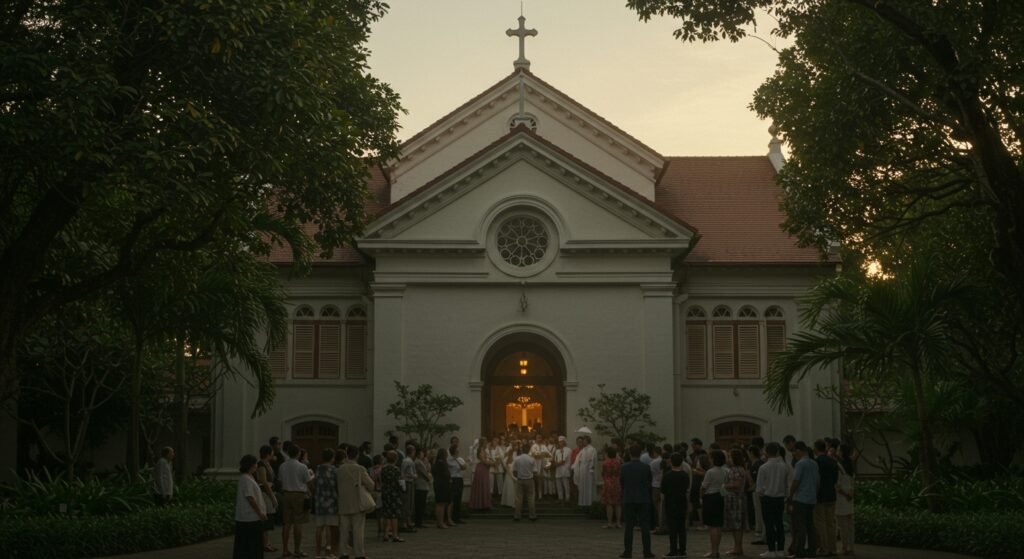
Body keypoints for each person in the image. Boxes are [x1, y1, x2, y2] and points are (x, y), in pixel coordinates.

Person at [337, 448, 375, 559]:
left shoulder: (339, 470)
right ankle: (359, 553)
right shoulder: (360, 469)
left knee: (344, 530)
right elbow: (371, 485)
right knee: (358, 530)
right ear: (357, 455)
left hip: (343, 502)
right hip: (357, 502)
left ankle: (344, 552)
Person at [620, 444, 655, 559]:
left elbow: (622, 483)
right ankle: (647, 551)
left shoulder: (624, 467)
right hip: (643, 498)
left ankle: (628, 551)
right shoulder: (646, 467)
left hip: (629, 498)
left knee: (629, 526)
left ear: (630, 454)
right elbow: (649, 482)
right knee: (645, 526)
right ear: (640, 454)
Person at [756, 442, 790, 559]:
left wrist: (762, 495)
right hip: (780, 498)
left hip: (767, 498)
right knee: (779, 523)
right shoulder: (784, 466)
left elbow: (759, 488)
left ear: (766, 452)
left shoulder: (763, 467)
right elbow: (786, 484)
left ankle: (771, 550)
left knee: (769, 524)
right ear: (777, 452)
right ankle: (780, 549)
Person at [279, 444, 313, 558]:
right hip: (299, 494)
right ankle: (297, 550)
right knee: (298, 522)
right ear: (298, 454)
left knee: (286, 523)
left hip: (286, 493)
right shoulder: (302, 467)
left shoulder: (283, 466)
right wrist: (310, 492)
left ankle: (285, 549)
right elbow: (308, 481)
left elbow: (280, 481)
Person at [789, 442, 820, 558]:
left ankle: (799, 551)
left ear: (799, 450)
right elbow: (817, 482)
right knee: (810, 526)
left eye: (794, 451)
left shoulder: (800, 464)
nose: (793, 453)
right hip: (811, 499)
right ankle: (812, 550)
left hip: (801, 498)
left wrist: (790, 495)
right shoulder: (814, 463)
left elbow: (796, 481)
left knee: (800, 526)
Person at [234, 454, 267, 559]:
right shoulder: (245, 479)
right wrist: (260, 512)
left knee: (253, 546)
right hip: (249, 518)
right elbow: (250, 498)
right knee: (250, 547)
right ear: (251, 465)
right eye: (255, 464)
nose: (257, 466)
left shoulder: (249, 477)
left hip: (252, 518)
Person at [661, 452, 691, 559]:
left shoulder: (667, 475)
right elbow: (686, 488)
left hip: (670, 502)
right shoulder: (685, 475)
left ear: (671, 462)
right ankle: (682, 550)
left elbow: (663, 490)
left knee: (672, 528)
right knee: (681, 528)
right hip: (682, 502)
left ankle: (673, 550)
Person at [724, 447, 753, 556]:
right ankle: (737, 547)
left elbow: (737, 484)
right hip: (735, 498)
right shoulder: (738, 469)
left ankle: (737, 547)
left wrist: (724, 486)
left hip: (735, 499)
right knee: (736, 525)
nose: (728, 459)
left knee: (736, 525)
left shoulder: (736, 470)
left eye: (729, 457)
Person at [813, 439, 839, 556]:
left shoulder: (816, 462)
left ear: (816, 449)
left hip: (820, 495)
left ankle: (824, 548)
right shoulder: (833, 461)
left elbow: (816, 480)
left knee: (821, 523)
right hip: (831, 494)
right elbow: (835, 479)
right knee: (831, 523)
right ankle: (833, 548)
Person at [701, 449, 728, 559]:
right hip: (719, 496)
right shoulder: (725, 471)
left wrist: (701, 496)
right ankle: (717, 550)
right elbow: (724, 487)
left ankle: (714, 551)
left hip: (710, 497)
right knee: (718, 525)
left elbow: (704, 486)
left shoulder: (710, 472)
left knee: (712, 526)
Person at [313, 448, 339, 559]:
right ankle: (329, 551)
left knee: (319, 527)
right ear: (332, 458)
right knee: (330, 527)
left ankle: (318, 553)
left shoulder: (318, 469)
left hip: (320, 501)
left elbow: (314, 482)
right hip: (331, 501)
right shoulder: (334, 470)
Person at [256, 445, 279, 553]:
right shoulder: (261, 465)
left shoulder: (267, 464)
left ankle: (267, 542)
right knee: (266, 518)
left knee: (269, 518)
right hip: (265, 493)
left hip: (269, 491)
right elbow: (264, 481)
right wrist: (273, 497)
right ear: (268, 454)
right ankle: (265, 543)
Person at [836, 444, 856, 556]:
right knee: (850, 525)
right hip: (850, 498)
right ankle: (851, 547)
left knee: (842, 525)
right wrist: (850, 494)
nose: (837, 452)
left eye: (838, 450)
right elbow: (853, 482)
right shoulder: (851, 465)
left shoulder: (838, 466)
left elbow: (837, 486)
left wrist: (845, 494)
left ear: (842, 452)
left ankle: (844, 547)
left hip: (841, 498)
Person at [380, 450, 404, 542]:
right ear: (396, 459)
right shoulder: (396, 469)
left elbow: (381, 480)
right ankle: (395, 535)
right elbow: (400, 482)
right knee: (394, 514)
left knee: (386, 513)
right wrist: (403, 489)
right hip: (394, 493)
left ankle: (385, 534)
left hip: (385, 492)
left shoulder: (383, 469)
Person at [512, 441, 538, 521]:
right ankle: (532, 515)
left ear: (522, 449)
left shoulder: (517, 459)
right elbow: (535, 471)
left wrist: (518, 476)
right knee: (530, 498)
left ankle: (517, 516)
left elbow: (514, 471)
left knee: (519, 498)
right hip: (529, 480)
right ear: (529, 450)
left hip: (520, 480)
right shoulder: (532, 459)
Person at [469, 436, 493, 510]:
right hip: (481, 468)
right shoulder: (480, 450)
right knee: (481, 485)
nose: (486, 443)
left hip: (484, 468)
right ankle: (479, 504)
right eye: (485, 442)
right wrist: (493, 463)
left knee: (484, 485)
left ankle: (484, 504)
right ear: (483, 443)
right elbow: (483, 460)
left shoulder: (484, 449)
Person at [602, 447, 623, 529]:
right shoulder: (618, 462)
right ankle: (618, 523)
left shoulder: (605, 463)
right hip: (617, 482)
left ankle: (610, 523)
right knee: (618, 503)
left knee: (609, 503)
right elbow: (620, 472)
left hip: (608, 483)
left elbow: (603, 473)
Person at [573, 435, 598, 507]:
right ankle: (583, 503)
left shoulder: (592, 449)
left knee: (588, 487)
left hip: (589, 471)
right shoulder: (583, 450)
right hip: (582, 470)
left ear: (587, 441)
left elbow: (593, 460)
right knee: (582, 487)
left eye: (584, 440)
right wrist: (576, 465)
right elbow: (578, 458)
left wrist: (590, 466)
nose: (583, 442)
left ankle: (589, 503)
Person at [432, 447, 453, 528]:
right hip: (442, 485)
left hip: (437, 484)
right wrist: (449, 478)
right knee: (442, 504)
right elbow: (446, 474)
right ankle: (440, 522)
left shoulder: (436, 463)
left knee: (438, 504)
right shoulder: (442, 463)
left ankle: (438, 522)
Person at [448, 437, 467, 523]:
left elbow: (464, 467)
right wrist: (454, 459)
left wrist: (457, 460)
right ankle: (450, 517)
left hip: (459, 479)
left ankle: (457, 517)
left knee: (458, 498)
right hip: (453, 479)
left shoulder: (460, 459)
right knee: (453, 498)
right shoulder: (449, 459)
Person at [690, 438, 707, 530]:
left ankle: (702, 522)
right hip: (697, 482)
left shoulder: (703, 455)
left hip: (701, 483)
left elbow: (705, 472)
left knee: (700, 503)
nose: (692, 447)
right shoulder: (693, 455)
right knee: (697, 502)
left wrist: (696, 471)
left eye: (694, 445)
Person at [400, 444, 418, 532]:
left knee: (407, 502)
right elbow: (410, 473)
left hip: (405, 482)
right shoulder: (409, 461)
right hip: (408, 482)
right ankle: (405, 523)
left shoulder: (405, 460)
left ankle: (407, 521)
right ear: (412, 451)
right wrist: (415, 475)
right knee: (408, 503)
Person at [414, 447, 432, 528]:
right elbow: (425, 473)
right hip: (421, 485)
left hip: (423, 485)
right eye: (422, 453)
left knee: (422, 504)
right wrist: (428, 477)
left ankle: (420, 521)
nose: (423, 454)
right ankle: (419, 522)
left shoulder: (422, 461)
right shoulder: (418, 462)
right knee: (420, 505)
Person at [554, 436, 572, 502]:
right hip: (558, 470)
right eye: (559, 442)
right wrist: (555, 464)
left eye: (561, 442)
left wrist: (556, 464)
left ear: (564, 442)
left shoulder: (568, 450)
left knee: (566, 486)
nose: (560, 443)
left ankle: (567, 498)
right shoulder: (557, 451)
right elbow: (555, 460)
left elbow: (563, 461)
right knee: (559, 486)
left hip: (565, 470)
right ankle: (560, 498)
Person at [501, 443, 518, 508]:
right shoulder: (508, 458)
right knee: (510, 487)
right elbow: (508, 468)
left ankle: (512, 502)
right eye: (515, 446)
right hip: (509, 474)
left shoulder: (515, 455)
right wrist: (513, 476)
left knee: (513, 488)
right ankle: (510, 502)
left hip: (513, 473)